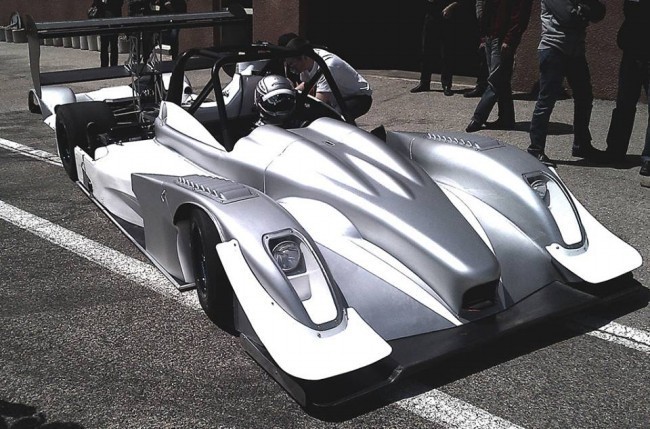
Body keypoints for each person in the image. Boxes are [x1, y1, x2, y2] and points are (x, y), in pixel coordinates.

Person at [526, 0, 606, 166]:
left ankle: (582, 144)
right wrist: (585, 10)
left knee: (585, 97)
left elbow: (599, 12)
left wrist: (583, 10)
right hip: (554, 49)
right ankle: (536, 149)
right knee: (546, 101)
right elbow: (568, 17)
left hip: (576, 51)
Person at [465, 0, 532, 133]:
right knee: (502, 79)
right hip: (491, 35)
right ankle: (507, 119)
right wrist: (483, 36)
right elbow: (488, 10)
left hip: (502, 38)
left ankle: (478, 117)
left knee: (495, 81)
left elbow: (520, 16)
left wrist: (509, 39)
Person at [603, 0, 650, 186]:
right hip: (632, 51)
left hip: (636, 50)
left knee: (624, 105)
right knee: (624, 105)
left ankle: (645, 158)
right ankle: (616, 151)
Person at [284, 36, 373, 121]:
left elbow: (319, 102)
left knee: (331, 118)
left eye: (292, 64)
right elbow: (307, 84)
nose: (291, 68)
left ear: (303, 57)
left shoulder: (327, 66)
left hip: (359, 98)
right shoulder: (308, 60)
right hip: (338, 98)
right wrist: (290, 93)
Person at [411, 0, 469, 96]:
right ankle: (424, 82)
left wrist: (451, 7)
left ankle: (446, 84)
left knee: (446, 52)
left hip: (447, 14)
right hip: (431, 13)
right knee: (426, 51)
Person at [92, 0, 124, 67]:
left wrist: (107, 2)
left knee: (114, 44)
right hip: (103, 20)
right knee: (104, 44)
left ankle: (114, 66)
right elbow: (96, 3)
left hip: (114, 20)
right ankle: (104, 66)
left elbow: (120, 3)